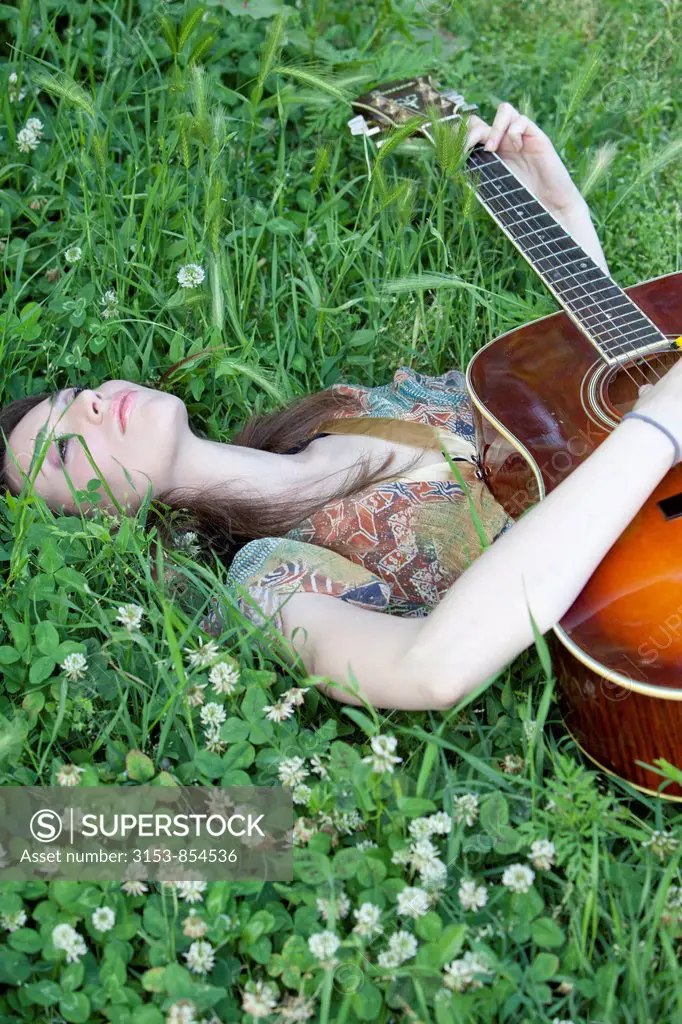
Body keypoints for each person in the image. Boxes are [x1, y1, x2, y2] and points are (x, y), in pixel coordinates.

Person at [2, 103, 680, 714]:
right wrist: (660, 426)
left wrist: (563, 219)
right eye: (65, 447)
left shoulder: (351, 407)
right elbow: (428, 670)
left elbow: (588, 404)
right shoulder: (269, 577)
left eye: (71, 397)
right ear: (102, 521)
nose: (89, 404)